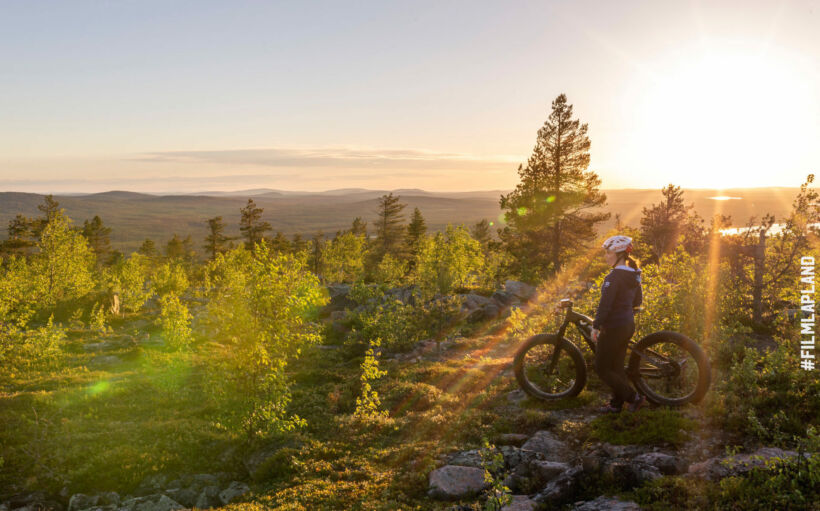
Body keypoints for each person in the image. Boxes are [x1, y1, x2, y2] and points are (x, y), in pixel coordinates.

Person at [590, 234, 647, 414]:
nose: (606, 256)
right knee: (616, 367)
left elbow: (605, 306)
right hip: (627, 326)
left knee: (602, 368)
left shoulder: (613, 277)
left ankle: (634, 398)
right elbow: (638, 301)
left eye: (608, 253)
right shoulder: (635, 275)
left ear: (618, 254)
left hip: (613, 328)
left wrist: (596, 325)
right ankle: (616, 404)